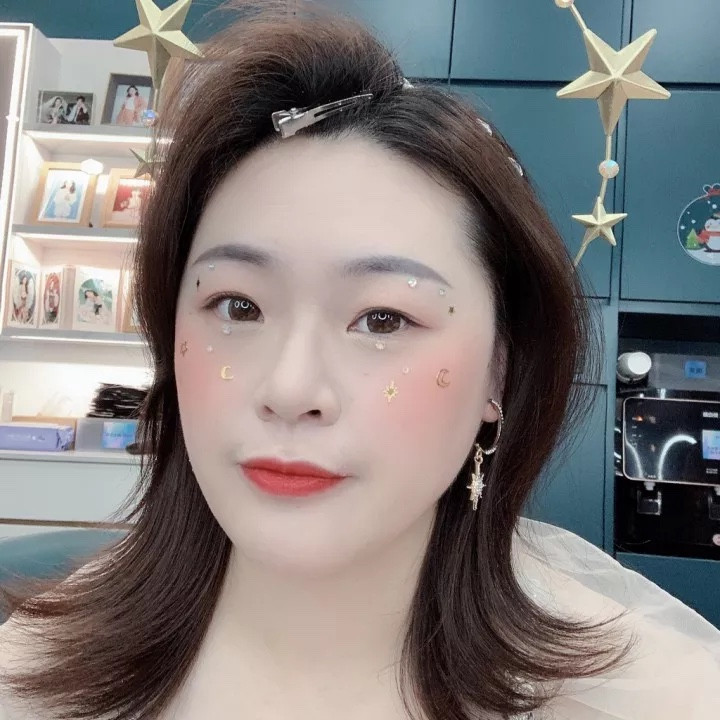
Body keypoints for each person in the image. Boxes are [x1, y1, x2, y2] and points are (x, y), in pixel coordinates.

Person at [1, 2, 718, 719]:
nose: (290, 389)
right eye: (238, 306)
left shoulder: (659, 698)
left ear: (498, 371)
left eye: (383, 319)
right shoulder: (28, 678)